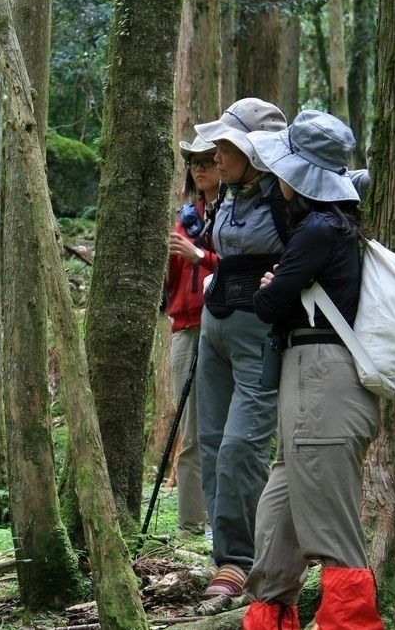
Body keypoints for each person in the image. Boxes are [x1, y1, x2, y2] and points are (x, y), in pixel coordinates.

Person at [244, 111, 383, 629]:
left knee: (333, 531)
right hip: (311, 381)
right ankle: (270, 619)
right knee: (279, 523)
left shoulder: (320, 230)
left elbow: (271, 303)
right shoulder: (331, 224)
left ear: (298, 177)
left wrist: (268, 289)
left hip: (322, 382)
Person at [191, 98, 288, 597]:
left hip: (261, 335)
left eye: (228, 146)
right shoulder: (228, 195)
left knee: (240, 446)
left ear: (256, 151)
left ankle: (243, 558)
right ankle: (224, 555)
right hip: (215, 328)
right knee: (211, 444)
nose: (217, 155)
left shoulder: (285, 196)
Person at [163, 134, 220, 537]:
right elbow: (171, 278)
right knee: (192, 430)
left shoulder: (238, 214)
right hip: (186, 326)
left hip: (223, 323)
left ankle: (226, 525)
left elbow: (242, 267)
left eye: (206, 161)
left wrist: (201, 255)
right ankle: (190, 527)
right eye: (192, 162)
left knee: (225, 430)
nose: (198, 168)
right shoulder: (187, 217)